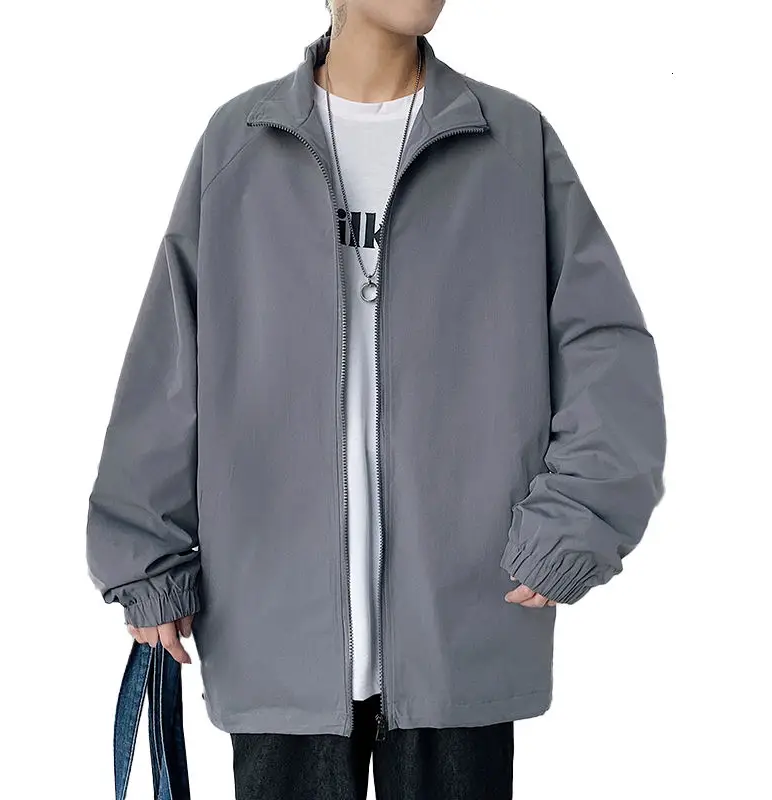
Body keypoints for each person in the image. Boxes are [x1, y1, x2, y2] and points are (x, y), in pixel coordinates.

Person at [85, 1, 667, 797]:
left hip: (464, 619)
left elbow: (606, 350)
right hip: (273, 629)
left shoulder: (512, 142)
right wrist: (145, 555)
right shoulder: (239, 145)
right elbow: (170, 362)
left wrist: (575, 519)